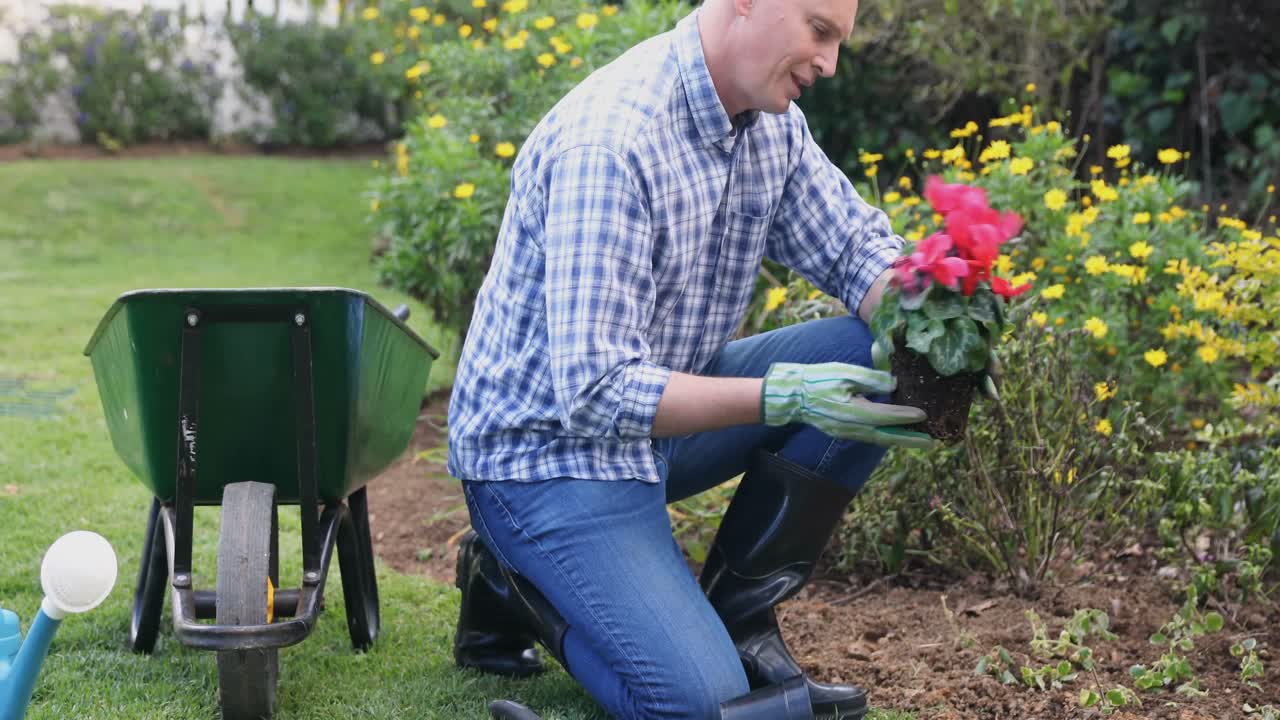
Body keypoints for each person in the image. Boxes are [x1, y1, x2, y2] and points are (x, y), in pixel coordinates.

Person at [446, 0, 937, 717]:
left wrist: (936, 317)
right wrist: (781, 397)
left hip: (656, 429)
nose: (830, 63)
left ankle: (739, 625)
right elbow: (597, 391)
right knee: (697, 704)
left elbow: (852, 249)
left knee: (877, 356)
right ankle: (512, 586)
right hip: (546, 456)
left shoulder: (771, 127)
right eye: (819, 31)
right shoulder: (613, 142)